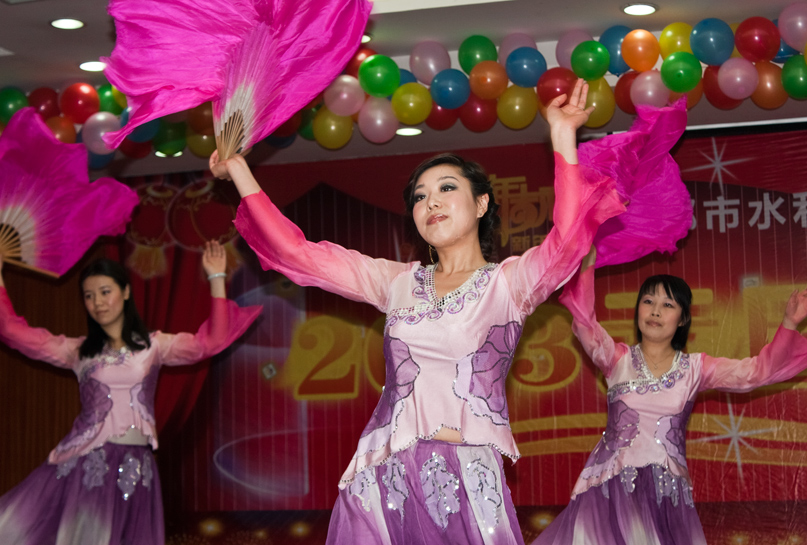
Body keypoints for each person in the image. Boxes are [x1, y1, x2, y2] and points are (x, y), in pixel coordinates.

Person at [210, 80, 633, 544]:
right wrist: (240, 170)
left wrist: (562, 135)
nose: (430, 201)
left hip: (466, 476)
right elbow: (298, 253)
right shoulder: (395, 282)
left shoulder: (508, 284)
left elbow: (568, 242)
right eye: (419, 196)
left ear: (481, 203)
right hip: (381, 480)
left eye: (447, 188)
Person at [533, 246, 807, 545]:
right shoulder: (616, 359)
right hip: (610, 493)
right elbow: (585, 324)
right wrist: (587, 267)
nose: (655, 310)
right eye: (648, 301)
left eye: (667, 304)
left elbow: (757, 372)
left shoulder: (695, 369)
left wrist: (789, 324)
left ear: (682, 319)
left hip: (666, 500)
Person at [0, 241, 261, 545]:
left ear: (125, 292)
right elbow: (12, 331)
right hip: (88, 463)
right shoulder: (76, 351)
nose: (97, 302)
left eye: (105, 292)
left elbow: (212, 341)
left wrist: (216, 277)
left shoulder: (154, 346)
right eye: (89, 296)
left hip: (137, 467)